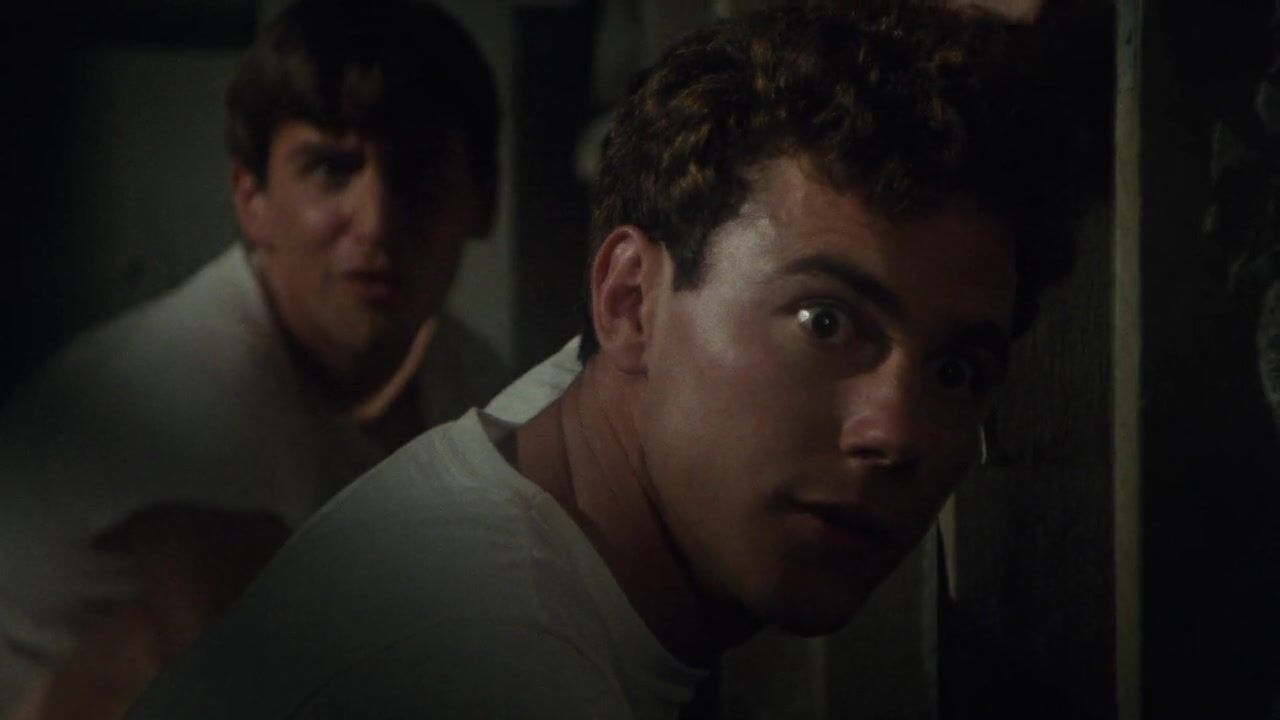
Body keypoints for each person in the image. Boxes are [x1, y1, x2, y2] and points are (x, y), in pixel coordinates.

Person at [126, 3, 1079, 718]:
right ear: (628, 300)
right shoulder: (494, 661)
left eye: (955, 371)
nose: (896, 432)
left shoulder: (553, 439)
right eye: (825, 322)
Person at [0, 1, 543, 718]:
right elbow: (264, 694)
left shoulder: (469, 381)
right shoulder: (184, 376)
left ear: (483, 202)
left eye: (419, 175)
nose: (376, 223)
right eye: (330, 169)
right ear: (251, 199)